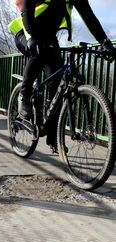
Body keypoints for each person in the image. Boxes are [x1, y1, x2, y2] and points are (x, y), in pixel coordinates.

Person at [8, 0, 116, 152]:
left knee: (57, 85)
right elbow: (26, 9)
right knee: (37, 55)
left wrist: (105, 42)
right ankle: (24, 95)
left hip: (50, 39)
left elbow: (89, 17)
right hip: (25, 32)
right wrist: (32, 38)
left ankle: (53, 137)